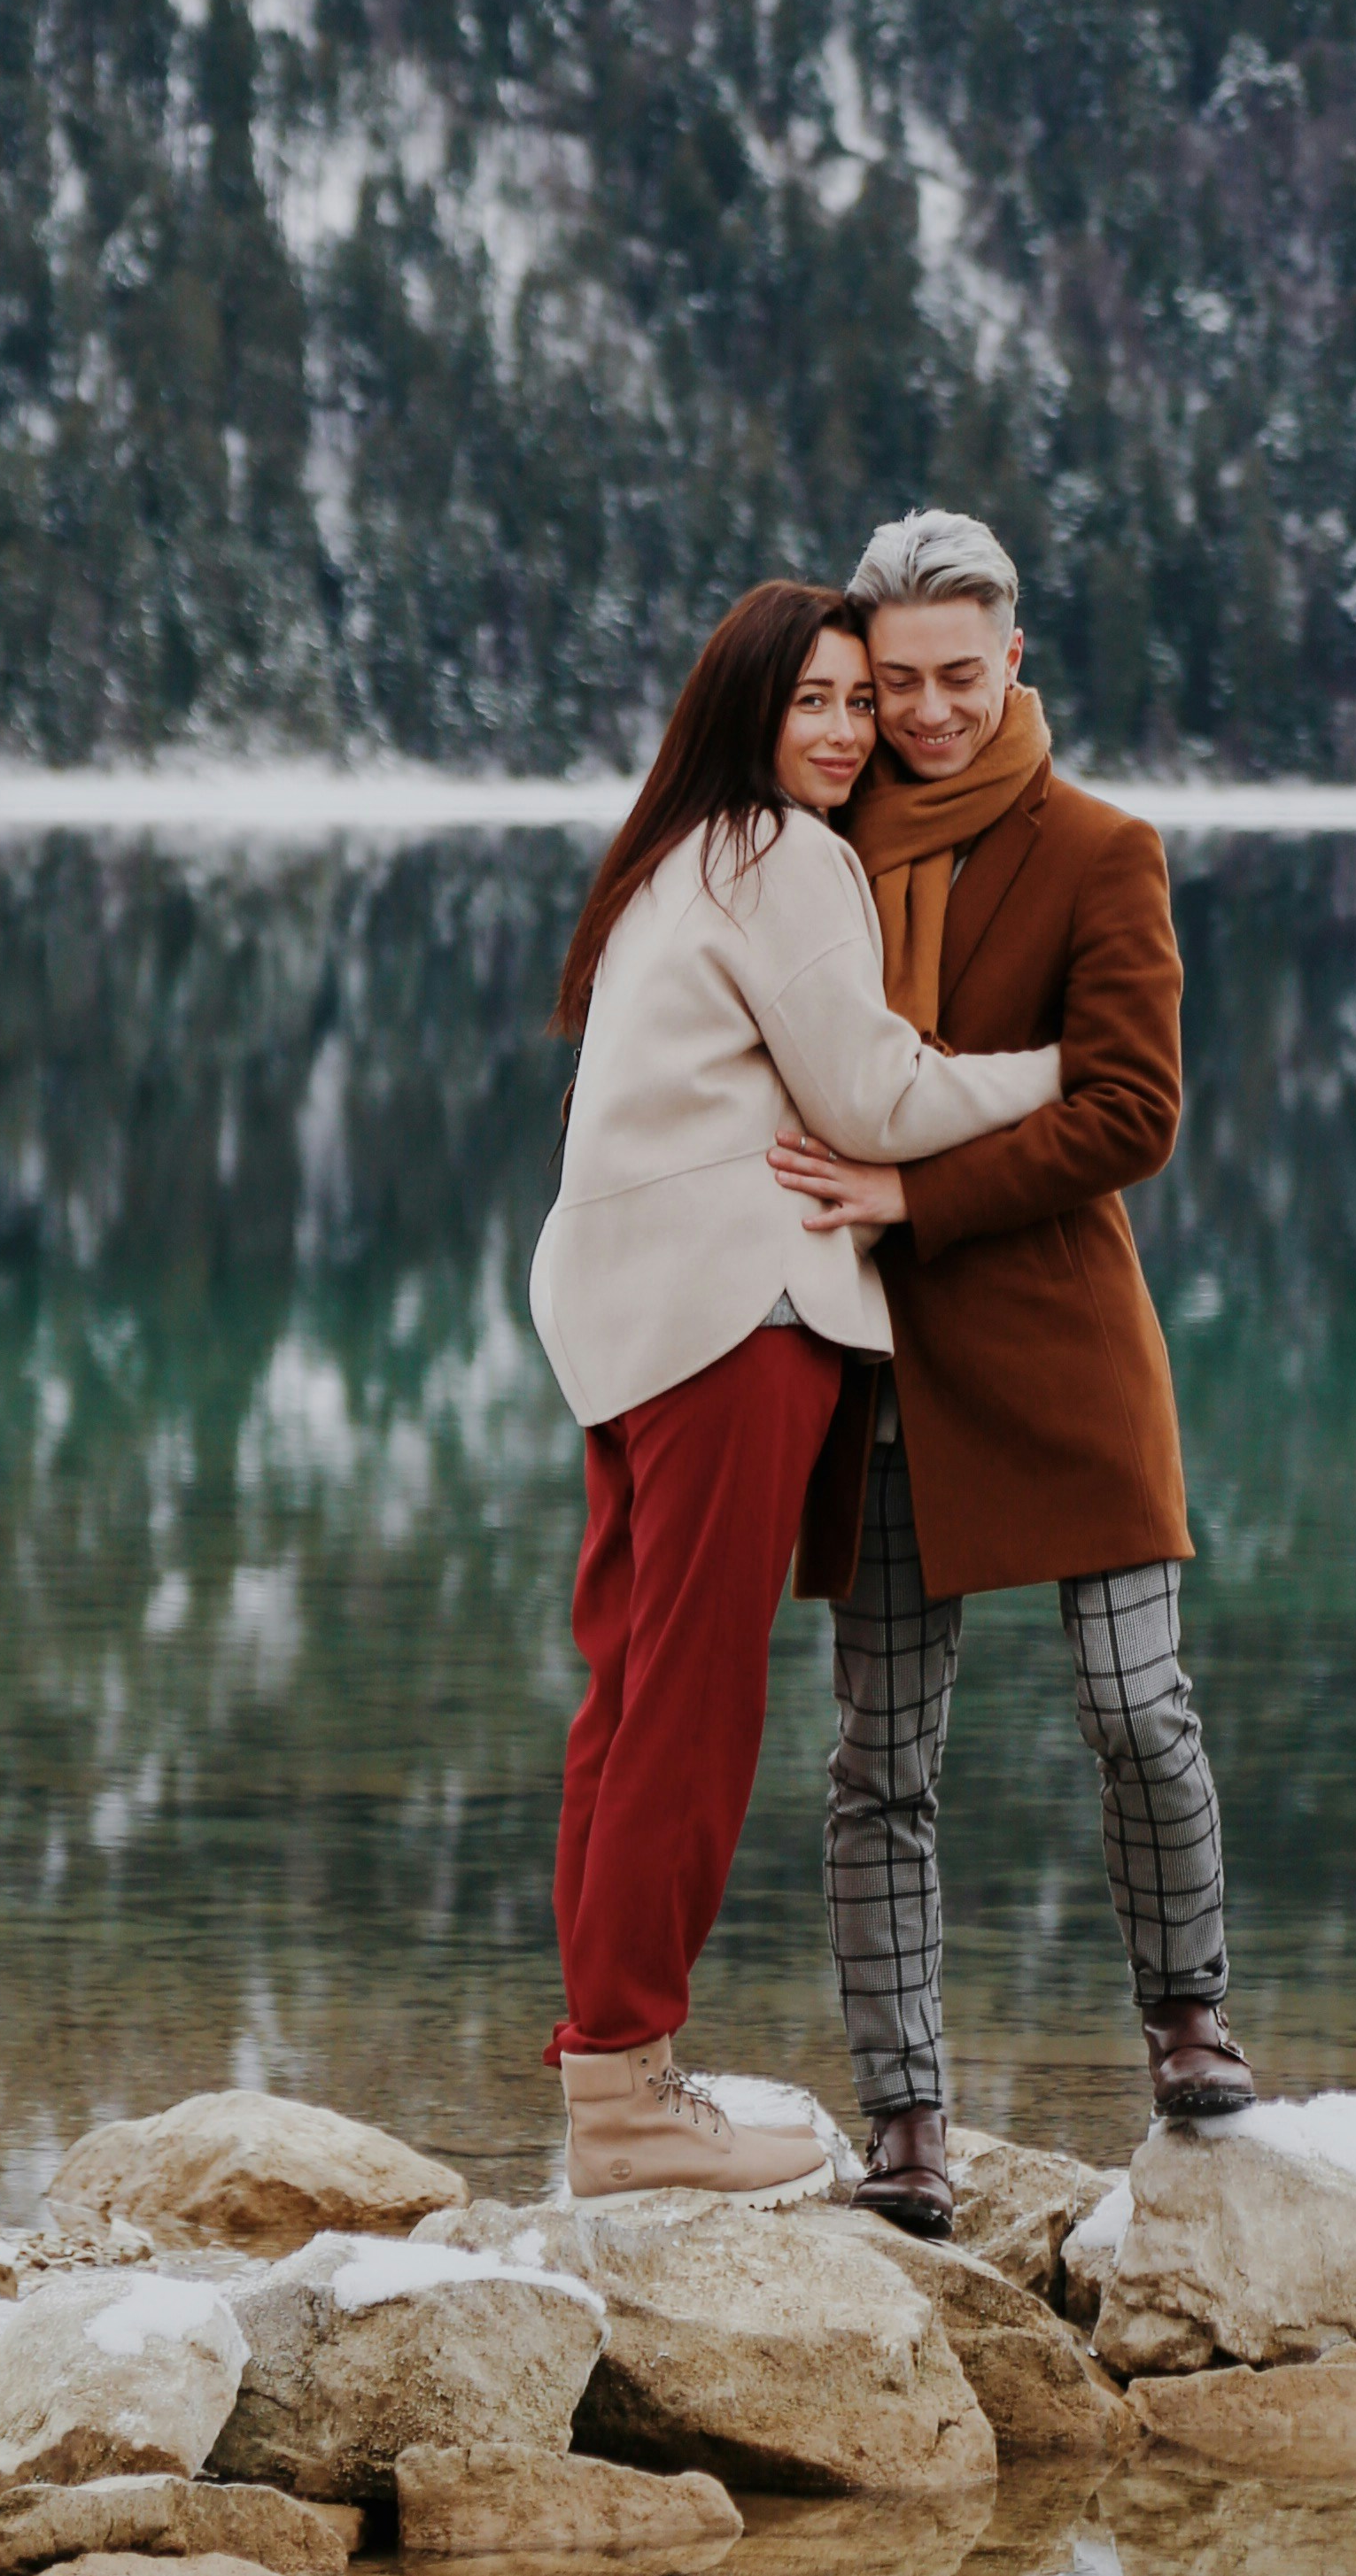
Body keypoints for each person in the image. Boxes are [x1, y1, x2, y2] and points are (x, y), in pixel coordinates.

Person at [530, 578, 1063, 2205]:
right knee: (692, 1703)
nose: (843, 734)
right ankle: (630, 2094)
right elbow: (876, 1094)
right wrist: (1069, 1067)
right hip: (741, 1314)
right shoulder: (788, 857)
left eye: (858, 703)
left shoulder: (668, 861)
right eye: (812, 703)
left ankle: (609, 2070)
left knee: (628, 1695)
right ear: (747, 712)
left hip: (622, 1315)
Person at [768, 508, 1254, 2234]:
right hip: (880, 1376)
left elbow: (1135, 1113)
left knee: (1140, 1709)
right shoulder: (803, 850)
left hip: (1060, 1356)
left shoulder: (1104, 854)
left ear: (1015, 662)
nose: (926, 714)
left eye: (959, 678)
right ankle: (906, 2126)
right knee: (881, 1761)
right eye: (897, 682)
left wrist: (914, 1188)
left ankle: (1190, 2025)